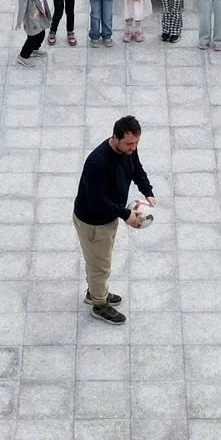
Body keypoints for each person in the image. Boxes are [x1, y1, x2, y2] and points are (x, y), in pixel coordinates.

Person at [72, 116, 156, 325]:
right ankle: (99, 305)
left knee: (98, 260)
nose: (133, 147)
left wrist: (147, 191)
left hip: (106, 218)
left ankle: (95, 291)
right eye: (129, 143)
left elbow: (136, 168)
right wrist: (126, 214)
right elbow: (96, 200)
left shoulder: (128, 150)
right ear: (115, 137)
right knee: (100, 265)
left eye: (136, 143)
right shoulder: (98, 163)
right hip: (93, 222)